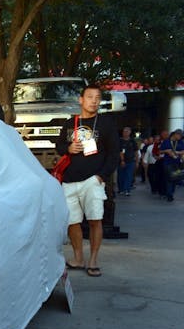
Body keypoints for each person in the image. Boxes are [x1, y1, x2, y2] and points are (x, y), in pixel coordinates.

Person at [54, 84, 119, 278]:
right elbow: (59, 145)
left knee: (95, 220)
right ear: (81, 100)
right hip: (69, 181)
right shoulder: (69, 123)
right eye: (90, 97)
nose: (94, 101)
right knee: (72, 222)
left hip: (93, 179)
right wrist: (68, 148)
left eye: (97, 97)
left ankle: (93, 260)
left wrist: (101, 176)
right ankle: (78, 258)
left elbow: (114, 153)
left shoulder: (106, 124)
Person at [158, 129, 184, 202]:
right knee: (169, 179)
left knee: (175, 178)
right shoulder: (166, 141)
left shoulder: (181, 142)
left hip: (177, 164)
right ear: (175, 134)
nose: (181, 137)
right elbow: (160, 151)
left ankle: (171, 193)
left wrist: (177, 152)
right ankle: (169, 195)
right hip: (167, 163)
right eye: (180, 135)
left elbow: (183, 151)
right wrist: (166, 151)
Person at [117, 126, 139, 196]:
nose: (125, 133)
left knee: (129, 176)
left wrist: (137, 161)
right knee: (121, 176)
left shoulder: (132, 141)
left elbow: (136, 151)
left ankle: (127, 190)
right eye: (124, 131)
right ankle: (121, 189)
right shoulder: (119, 141)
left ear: (130, 132)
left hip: (131, 161)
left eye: (127, 131)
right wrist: (122, 160)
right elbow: (120, 151)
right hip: (121, 161)